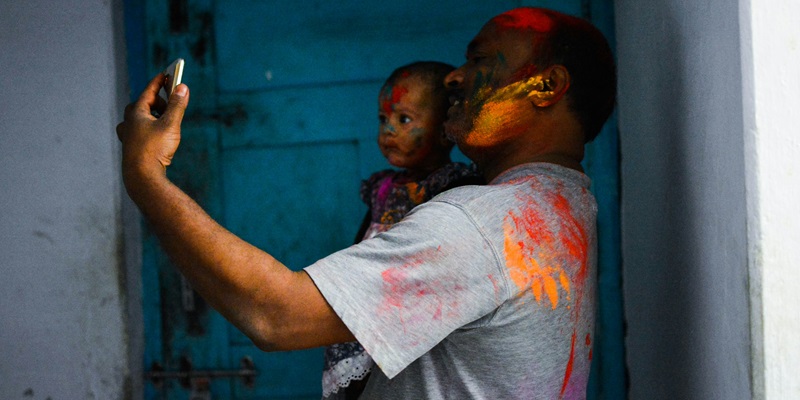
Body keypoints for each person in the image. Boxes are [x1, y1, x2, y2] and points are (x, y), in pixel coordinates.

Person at [116, 6, 615, 399]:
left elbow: (275, 315)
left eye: (480, 60)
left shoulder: (482, 223)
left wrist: (145, 176)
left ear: (547, 86)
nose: (454, 77)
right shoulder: (568, 203)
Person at [323, 61, 482, 400]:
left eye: (404, 120)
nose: (389, 131)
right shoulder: (382, 187)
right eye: (383, 120)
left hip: (411, 306)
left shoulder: (450, 186)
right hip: (371, 296)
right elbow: (362, 242)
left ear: (444, 130)